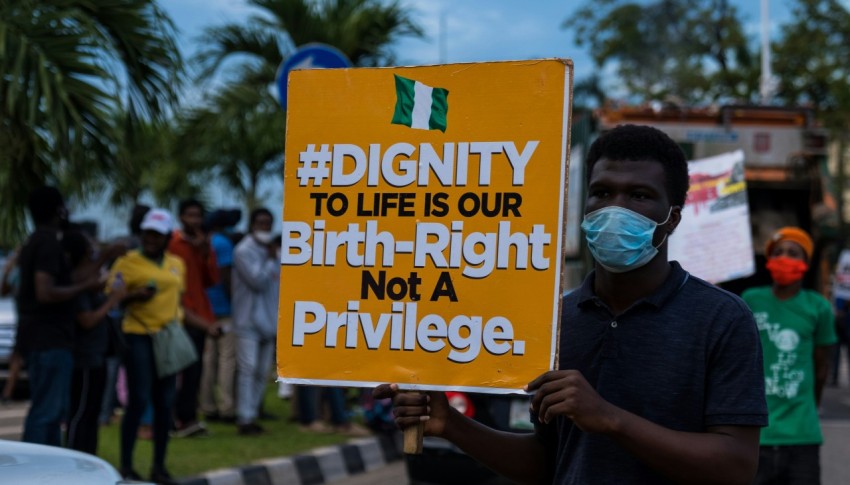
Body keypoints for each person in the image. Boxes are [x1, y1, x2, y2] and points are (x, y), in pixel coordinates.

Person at [375, 124, 768, 484]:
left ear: (673, 218)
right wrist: (452, 425)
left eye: (639, 195)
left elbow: (735, 467)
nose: (615, 208)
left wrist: (611, 419)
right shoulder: (557, 321)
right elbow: (549, 460)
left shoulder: (722, 319)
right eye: (602, 192)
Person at [742, 227, 837, 484]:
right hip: (756, 435)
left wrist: (811, 405)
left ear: (805, 263)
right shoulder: (750, 300)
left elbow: (821, 367)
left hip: (802, 436)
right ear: (769, 261)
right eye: (779, 252)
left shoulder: (818, 307)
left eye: (793, 253)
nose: (785, 258)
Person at [15, 186, 101, 445]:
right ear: (58, 210)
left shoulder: (34, 241)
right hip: (49, 339)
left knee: (51, 413)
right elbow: (45, 291)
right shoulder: (49, 243)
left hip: (44, 339)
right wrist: (85, 287)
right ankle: (35, 471)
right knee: (47, 412)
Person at [109, 208, 186, 482]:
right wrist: (134, 296)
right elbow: (112, 298)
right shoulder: (127, 262)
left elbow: (180, 299)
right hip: (138, 334)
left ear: (166, 237)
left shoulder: (176, 263)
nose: (151, 238)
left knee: (165, 402)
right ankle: (127, 466)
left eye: (157, 234)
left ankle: (159, 467)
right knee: (139, 398)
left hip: (168, 338)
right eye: (147, 233)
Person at [63, 229, 127, 454]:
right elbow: (87, 320)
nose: (95, 254)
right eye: (91, 251)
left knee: (92, 413)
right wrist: (113, 300)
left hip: (96, 355)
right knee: (81, 414)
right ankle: (74, 458)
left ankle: (89, 460)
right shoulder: (77, 283)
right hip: (84, 357)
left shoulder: (88, 281)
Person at [167, 199, 220, 437]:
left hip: (199, 313)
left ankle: (188, 418)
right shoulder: (172, 244)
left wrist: (204, 252)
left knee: (195, 371)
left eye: (198, 216)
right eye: (190, 215)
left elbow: (212, 280)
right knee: (181, 372)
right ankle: (179, 418)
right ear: (180, 217)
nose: (194, 220)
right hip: (179, 314)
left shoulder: (202, 245)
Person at [231, 208, 279, 435]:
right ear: (252, 225)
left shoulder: (274, 252)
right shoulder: (243, 250)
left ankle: (253, 413)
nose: (265, 227)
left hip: (269, 319)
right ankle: (244, 418)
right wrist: (270, 260)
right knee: (247, 369)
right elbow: (257, 281)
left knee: (262, 372)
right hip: (247, 319)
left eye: (268, 223)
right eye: (260, 222)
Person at [200, 209, 240, 423]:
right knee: (227, 360)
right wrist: (234, 301)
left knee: (208, 360)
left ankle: (207, 406)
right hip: (224, 310)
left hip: (206, 310)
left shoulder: (206, 242)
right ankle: (227, 407)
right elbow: (225, 277)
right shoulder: (224, 244)